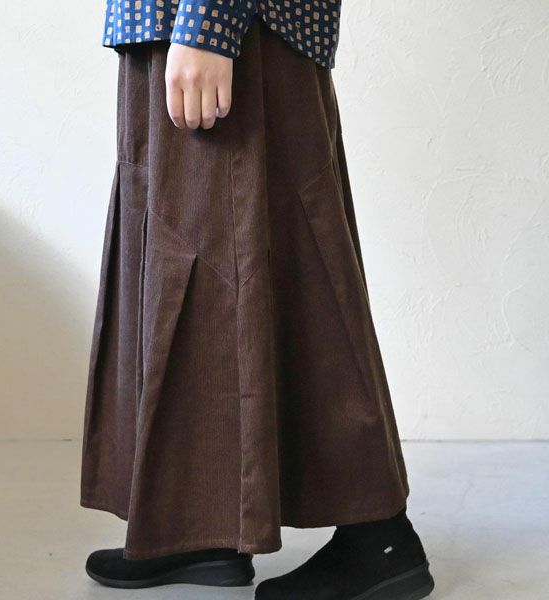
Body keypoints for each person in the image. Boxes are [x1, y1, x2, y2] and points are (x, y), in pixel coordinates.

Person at [80, 1, 435, 598]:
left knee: (295, 270)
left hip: (233, 26)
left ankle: (378, 537)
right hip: (170, 26)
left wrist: (208, 21)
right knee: (184, 271)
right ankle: (203, 525)